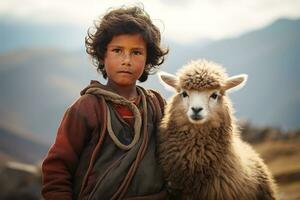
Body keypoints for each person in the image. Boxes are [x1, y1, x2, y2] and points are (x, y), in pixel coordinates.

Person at [41, 5, 169, 200]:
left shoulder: (156, 105)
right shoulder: (87, 108)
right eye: (117, 50)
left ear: (148, 59)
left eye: (136, 52)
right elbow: (57, 168)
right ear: (103, 55)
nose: (126, 60)